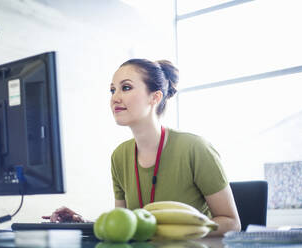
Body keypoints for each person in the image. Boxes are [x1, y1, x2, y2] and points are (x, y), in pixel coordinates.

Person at [43, 59, 241, 236]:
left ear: (155, 97)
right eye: (112, 90)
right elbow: (126, 225)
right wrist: (82, 223)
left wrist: (177, 232)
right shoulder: (119, 156)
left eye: (126, 88)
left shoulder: (195, 148)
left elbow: (232, 223)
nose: (115, 98)